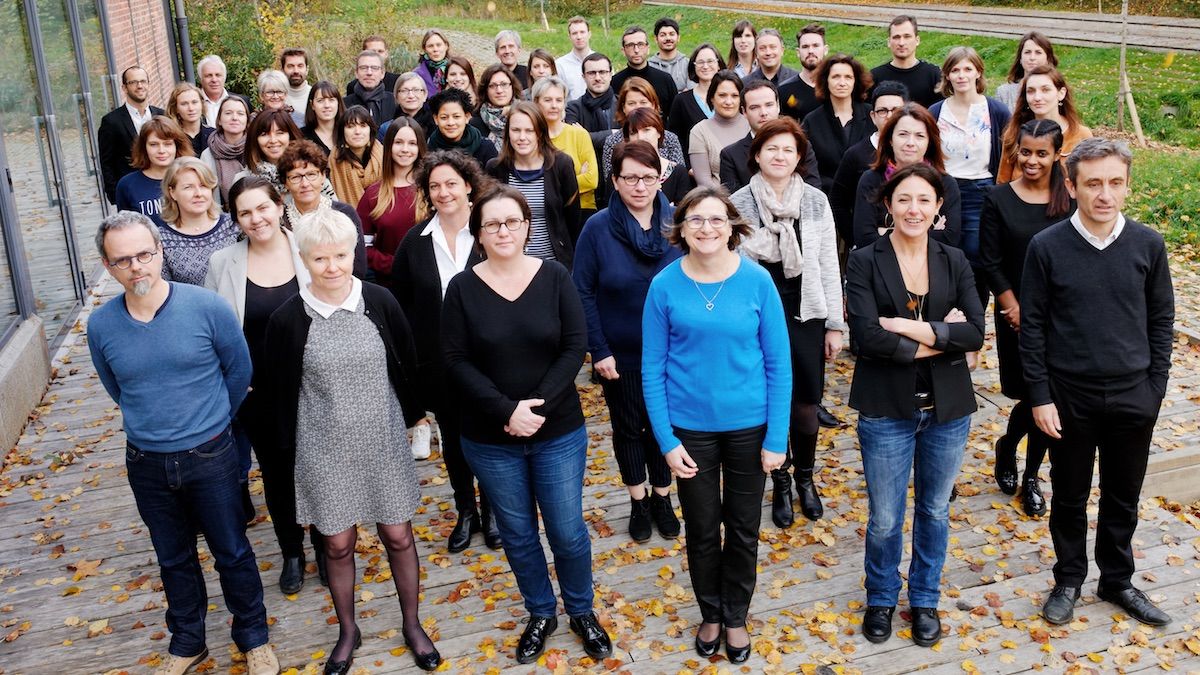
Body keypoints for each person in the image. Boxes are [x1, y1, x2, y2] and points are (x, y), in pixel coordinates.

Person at [87, 212, 280, 675]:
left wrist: (212, 419)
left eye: (145, 254)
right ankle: (189, 641)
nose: (137, 267)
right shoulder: (101, 326)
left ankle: (253, 638)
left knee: (231, 550)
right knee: (173, 558)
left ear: (160, 252)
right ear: (107, 266)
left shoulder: (206, 307)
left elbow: (239, 371)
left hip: (210, 454)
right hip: (146, 462)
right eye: (123, 260)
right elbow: (118, 388)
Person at [262, 207, 442, 673]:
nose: (332, 267)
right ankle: (348, 630)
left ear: (354, 253)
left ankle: (412, 623)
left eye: (341, 255)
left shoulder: (380, 302)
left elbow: (407, 362)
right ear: (303, 259)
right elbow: (278, 392)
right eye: (320, 258)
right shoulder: (288, 320)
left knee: (398, 535)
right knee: (337, 545)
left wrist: (417, 419)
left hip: (381, 438)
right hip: (323, 447)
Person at [441, 186, 611, 665]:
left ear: (527, 226)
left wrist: (533, 409)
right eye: (492, 224)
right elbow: (454, 360)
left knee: (567, 530)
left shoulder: (555, 276)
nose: (503, 231)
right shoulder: (461, 288)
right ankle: (541, 612)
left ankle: (581, 610)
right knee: (517, 533)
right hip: (490, 437)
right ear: (478, 233)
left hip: (557, 432)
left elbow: (574, 345)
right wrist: (504, 411)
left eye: (512, 221)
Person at [1021, 138, 1174, 629]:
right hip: (1069, 396)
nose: (1104, 194)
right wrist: (1040, 397)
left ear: (1127, 186)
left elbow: (1161, 320)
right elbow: (1035, 329)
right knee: (1069, 494)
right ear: (1071, 186)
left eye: (1114, 183)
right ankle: (1068, 577)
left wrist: (1155, 389)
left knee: (1122, 495)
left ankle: (1118, 579)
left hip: (1134, 394)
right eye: (1092, 183)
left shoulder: (1147, 244)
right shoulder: (1047, 247)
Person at [642, 185, 791, 665]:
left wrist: (776, 437)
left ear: (733, 226)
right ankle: (710, 610)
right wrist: (666, 442)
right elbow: (652, 368)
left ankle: (735, 616)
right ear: (681, 228)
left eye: (716, 219)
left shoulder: (757, 282)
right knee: (703, 527)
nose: (707, 228)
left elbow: (779, 364)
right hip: (690, 431)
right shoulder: (664, 285)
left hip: (749, 426)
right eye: (696, 220)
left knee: (744, 528)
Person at [845, 163, 985, 648]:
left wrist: (906, 327)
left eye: (924, 199)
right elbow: (865, 337)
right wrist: (944, 337)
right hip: (886, 409)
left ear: (939, 207)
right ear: (888, 204)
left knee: (935, 511)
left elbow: (976, 333)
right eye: (904, 199)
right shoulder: (864, 260)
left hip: (947, 410)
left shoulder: (955, 260)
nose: (914, 209)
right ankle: (882, 597)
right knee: (885, 517)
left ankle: (924, 599)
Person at [205, 176, 324, 596]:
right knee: (275, 475)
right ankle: (292, 550)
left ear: (279, 205)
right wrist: (233, 384)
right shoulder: (224, 263)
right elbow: (213, 331)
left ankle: (327, 546)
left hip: (316, 385)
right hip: (258, 393)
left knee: (320, 469)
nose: (256, 219)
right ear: (236, 219)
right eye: (245, 213)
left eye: (262, 207)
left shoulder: (309, 247)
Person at [730, 117, 844, 528]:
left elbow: (829, 263)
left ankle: (806, 478)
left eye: (788, 150)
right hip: (757, 318)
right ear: (757, 154)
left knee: (805, 405)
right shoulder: (739, 203)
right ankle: (778, 479)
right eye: (771, 148)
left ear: (799, 158)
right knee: (769, 401)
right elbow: (731, 267)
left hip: (806, 312)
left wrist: (835, 324)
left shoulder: (815, 200)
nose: (780, 156)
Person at [573, 139, 682, 542]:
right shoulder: (597, 228)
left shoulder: (676, 224)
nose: (640, 186)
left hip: (671, 352)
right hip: (618, 353)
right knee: (628, 427)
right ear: (615, 181)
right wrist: (598, 349)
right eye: (630, 177)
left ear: (660, 178)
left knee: (662, 426)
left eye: (648, 177)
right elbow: (581, 290)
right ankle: (638, 501)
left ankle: (662, 497)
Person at [391, 151, 499, 552]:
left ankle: (492, 512)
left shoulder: (489, 232)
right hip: (439, 361)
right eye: (434, 185)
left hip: (490, 357)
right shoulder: (415, 242)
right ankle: (466, 511)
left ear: (468, 185)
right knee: (453, 439)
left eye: (451, 183)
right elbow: (400, 304)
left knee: (489, 432)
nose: (443, 192)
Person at [978, 119, 1073, 517]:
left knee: (1050, 396)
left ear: (1056, 155)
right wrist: (1012, 305)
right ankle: (1007, 447)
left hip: (1064, 314)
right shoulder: (998, 199)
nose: (1032, 160)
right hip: (1015, 310)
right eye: (1026, 151)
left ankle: (1031, 474)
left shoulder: (1068, 198)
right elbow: (990, 260)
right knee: (1029, 393)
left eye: (1041, 153)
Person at [929, 47, 1012, 310]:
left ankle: (973, 314)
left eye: (967, 69)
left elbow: (1008, 154)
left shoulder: (996, 111)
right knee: (943, 252)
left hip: (982, 190)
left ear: (978, 72)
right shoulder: (936, 111)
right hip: (945, 190)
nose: (961, 75)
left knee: (977, 255)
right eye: (955, 70)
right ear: (947, 75)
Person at [852, 103, 961, 249]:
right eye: (903, 134)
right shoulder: (871, 180)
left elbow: (950, 238)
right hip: (880, 265)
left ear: (929, 142)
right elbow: (864, 238)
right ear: (890, 139)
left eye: (920, 136)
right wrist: (928, 233)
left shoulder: (945, 183)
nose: (910, 143)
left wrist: (885, 231)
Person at [486, 101, 580, 264]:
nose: (522, 137)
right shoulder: (496, 168)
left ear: (540, 133)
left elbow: (572, 219)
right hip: (509, 264)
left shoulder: (561, 164)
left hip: (553, 264)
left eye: (529, 131)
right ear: (508, 132)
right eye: (516, 130)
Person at [830, 82, 909, 249]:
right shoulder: (855, 155)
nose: (889, 115)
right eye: (883, 111)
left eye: (896, 110)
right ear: (873, 116)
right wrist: (855, 239)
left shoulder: (916, 152)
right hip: (868, 245)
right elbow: (838, 201)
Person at [276, 139, 368, 278]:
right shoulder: (279, 221)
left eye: (311, 174)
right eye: (295, 177)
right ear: (286, 183)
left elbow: (359, 267)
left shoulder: (345, 213)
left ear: (323, 176)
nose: (305, 183)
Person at [718, 81, 820, 194]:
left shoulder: (801, 146)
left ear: (778, 106)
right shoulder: (731, 155)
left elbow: (813, 191)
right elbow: (733, 204)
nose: (763, 113)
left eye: (769, 105)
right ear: (744, 112)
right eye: (754, 107)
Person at [358, 117, 425, 287]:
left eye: (412, 143)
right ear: (389, 146)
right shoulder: (373, 194)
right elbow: (361, 247)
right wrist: (395, 265)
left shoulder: (431, 189)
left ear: (420, 148)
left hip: (429, 282)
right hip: (390, 285)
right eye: (398, 142)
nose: (405, 149)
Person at [997, 65, 1092, 183]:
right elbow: (1002, 183)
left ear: (1061, 93)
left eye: (1045, 90)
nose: (1037, 97)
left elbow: (1090, 181)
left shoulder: (1081, 135)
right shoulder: (1014, 133)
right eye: (1031, 91)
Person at [158, 157, 239, 285]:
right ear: (172, 192)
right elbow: (164, 290)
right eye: (188, 187)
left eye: (203, 185)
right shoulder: (162, 239)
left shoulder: (233, 225)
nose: (198, 193)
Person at [600, 78, 685, 199]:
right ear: (623, 107)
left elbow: (678, 177)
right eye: (631, 103)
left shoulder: (670, 138)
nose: (637, 107)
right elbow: (612, 182)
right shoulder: (612, 141)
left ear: (654, 105)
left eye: (643, 102)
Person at [801, 54, 874, 194]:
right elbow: (807, 166)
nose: (842, 83)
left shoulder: (872, 115)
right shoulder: (812, 120)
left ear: (855, 81)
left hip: (868, 195)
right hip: (827, 197)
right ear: (826, 81)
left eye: (848, 77)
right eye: (836, 77)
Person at [533, 76, 600, 226]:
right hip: (544, 213)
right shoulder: (531, 138)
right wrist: (574, 179)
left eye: (559, 100)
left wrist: (549, 184)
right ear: (536, 102)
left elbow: (591, 180)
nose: (554, 105)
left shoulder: (579, 134)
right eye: (548, 100)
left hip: (582, 210)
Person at [99, 66, 164, 203]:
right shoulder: (111, 121)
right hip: (131, 191)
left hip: (162, 186)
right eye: (133, 82)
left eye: (143, 81)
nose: (139, 86)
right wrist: (115, 195)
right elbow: (107, 163)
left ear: (148, 84)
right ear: (124, 88)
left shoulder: (162, 116)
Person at [116, 116, 194, 228]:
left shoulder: (192, 178)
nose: (161, 150)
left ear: (177, 146)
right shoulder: (127, 185)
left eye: (167, 144)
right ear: (144, 148)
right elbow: (125, 229)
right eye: (154, 144)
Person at [237, 109, 329, 199]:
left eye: (280, 133)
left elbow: (334, 208)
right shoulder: (244, 179)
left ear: (290, 135)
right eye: (264, 134)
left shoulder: (312, 172)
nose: (273, 140)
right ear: (255, 139)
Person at [689, 70, 748, 187]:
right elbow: (703, 182)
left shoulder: (752, 124)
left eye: (734, 96)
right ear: (712, 97)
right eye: (722, 95)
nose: (728, 101)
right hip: (718, 201)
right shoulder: (699, 131)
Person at [667, 44, 726, 159]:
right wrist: (689, 168)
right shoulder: (681, 101)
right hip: (695, 169)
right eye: (700, 62)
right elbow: (676, 140)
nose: (705, 66)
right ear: (693, 66)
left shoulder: (731, 98)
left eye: (710, 61)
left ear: (719, 65)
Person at [622, 108, 693, 204]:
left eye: (646, 130)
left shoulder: (678, 172)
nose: (640, 137)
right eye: (633, 133)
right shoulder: (620, 173)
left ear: (659, 132)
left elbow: (683, 213)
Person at [870, 16, 943, 108]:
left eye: (907, 36)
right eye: (896, 37)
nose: (901, 43)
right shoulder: (874, 77)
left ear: (917, 40)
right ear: (888, 42)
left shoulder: (934, 75)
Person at [612, 26, 678, 121]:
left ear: (648, 48)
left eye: (640, 44)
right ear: (623, 50)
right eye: (630, 45)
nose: (636, 50)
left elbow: (675, 116)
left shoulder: (665, 79)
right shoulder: (615, 82)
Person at [564, 52, 618, 158]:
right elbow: (574, 139)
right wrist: (613, 134)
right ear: (583, 77)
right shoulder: (573, 108)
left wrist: (587, 136)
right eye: (592, 73)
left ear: (611, 75)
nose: (597, 78)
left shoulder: (624, 104)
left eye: (602, 72)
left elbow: (629, 136)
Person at [426, 87, 498, 167]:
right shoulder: (429, 148)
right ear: (436, 119)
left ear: (467, 117)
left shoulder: (485, 147)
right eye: (444, 117)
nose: (450, 123)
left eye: (456, 116)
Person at [328, 105, 383, 208]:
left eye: (363, 125)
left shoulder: (384, 156)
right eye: (350, 126)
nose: (357, 132)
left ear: (370, 130)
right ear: (342, 132)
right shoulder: (333, 161)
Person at [201, 95, 252, 205]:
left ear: (247, 120)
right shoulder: (208, 155)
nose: (234, 118)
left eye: (240, 113)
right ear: (219, 120)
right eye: (228, 113)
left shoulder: (256, 149)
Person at [995, 32, 1058, 111]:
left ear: (1048, 59)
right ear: (1020, 58)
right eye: (1027, 52)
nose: (1032, 57)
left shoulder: (1056, 91)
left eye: (1038, 52)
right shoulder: (1004, 92)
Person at [780, 23, 828, 122]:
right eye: (805, 46)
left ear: (825, 50)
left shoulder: (837, 87)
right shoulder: (784, 91)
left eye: (815, 46)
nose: (810, 51)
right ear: (798, 52)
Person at [472, 64, 523, 149]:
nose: (499, 90)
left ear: (512, 86)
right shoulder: (475, 124)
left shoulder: (526, 116)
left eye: (504, 84)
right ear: (485, 90)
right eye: (492, 86)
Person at [344, 50, 397, 128]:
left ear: (382, 73)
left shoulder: (394, 102)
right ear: (356, 73)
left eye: (374, 68)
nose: (369, 72)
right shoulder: (344, 104)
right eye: (363, 68)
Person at [167, 83, 213, 157]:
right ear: (176, 109)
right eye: (184, 104)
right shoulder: (171, 138)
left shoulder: (214, 135)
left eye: (194, 102)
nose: (191, 108)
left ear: (201, 104)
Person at [385, 73, 434, 140]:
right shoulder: (387, 128)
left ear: (425, 95)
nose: (411, 96)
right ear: (396, 97)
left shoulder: (437, 125)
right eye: (404, 91)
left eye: (416, 90)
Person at [556, 16, 595, 99]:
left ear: (589, 34)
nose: (579, 37)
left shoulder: (601, 62)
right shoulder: (560, 65)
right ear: (569, 37)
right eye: (574, 33)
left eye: (582, 32)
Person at [302, 81, 345, 156]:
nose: (327, 105)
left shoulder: (347, 133)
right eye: (320, 101)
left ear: (338, 103)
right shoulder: (302, 137)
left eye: (331, 100)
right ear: (312, 105)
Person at [649, 17, 690, 91]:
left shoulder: (688, 64)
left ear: (678, 38)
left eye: (672, 34)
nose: (668, 38)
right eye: (663, 35)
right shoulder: (649, 66)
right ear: (656, 39)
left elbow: (691, 93)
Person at [198, 55, 234, 127]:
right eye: (209, 75)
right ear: (200, 79)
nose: (214, 80)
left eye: (218, 75)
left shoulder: (242, 101)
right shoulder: (194, 104)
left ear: (224, 77)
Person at [414, 30, 451, 97]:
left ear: (446, 46)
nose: (435, 49)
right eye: (430, 46)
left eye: (439, 45)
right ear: (425, 49)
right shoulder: (417, 75)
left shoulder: (455, 70)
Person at [281, 48, 312, 116]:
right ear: (282, 70)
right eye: (290, 66)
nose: (296, 71)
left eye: (300, 66)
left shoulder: (316, 97)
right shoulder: (275, 99)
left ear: (307, 70)